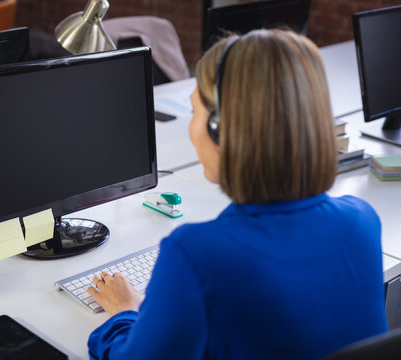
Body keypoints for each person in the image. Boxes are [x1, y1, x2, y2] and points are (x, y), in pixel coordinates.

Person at [86, 29, 387, 360]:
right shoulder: (362, 221)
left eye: (195, 111)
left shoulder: (196, 254)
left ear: (220, 129)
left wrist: (125, 311)